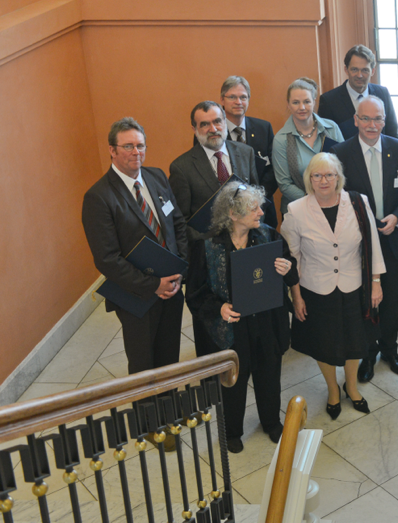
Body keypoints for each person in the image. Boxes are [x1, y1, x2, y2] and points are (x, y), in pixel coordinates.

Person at [82, 118, 188, 450]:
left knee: (169, 355)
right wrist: (152, 285)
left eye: (140, 145)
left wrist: (179, 269)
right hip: (136, 297)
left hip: (172, 288)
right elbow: (107, 259)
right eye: (127, 146)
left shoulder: (156, 177)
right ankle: (150, 425)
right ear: (112, 150)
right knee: (143, 362)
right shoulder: (98, 197)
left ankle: (169, 413)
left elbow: (177, 224)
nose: (136, 152)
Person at [186, 182, 298, 453]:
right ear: (233, 214)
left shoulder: (270, 236)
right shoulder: (207, 245)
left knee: (269, 374)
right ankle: (232, 431)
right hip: (232, 327)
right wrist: (219, 308)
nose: (261, 212)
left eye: (260, 206)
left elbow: (292, 270)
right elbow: (195, 293)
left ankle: (271, 422)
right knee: (233, 381)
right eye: (253, 208)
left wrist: (287, 268)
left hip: (266, 321)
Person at [281, 153, 384, 418]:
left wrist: (376, 282)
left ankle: (351, 387)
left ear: (338, 177)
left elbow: (372, 243)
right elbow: (293, 257)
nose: (324, 181)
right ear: (309, 179)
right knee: (324, 343)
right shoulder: (296, 210)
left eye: (329, 175)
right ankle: (333, 390)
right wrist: (296, 296)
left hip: (353, 285)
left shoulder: (358, 202)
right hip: (316, 288)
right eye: (317, 175)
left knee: (355, 340)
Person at [331, 96, 398, 382]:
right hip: (357, 244)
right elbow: (338, 200)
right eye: (365, 118)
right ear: (355, 120)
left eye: (377, 118)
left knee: (390, 301)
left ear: (384, 120)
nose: (371, 124)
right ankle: (367, 354)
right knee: (363, 301)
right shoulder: (340, 152)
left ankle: (390, 350)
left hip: (392, 238)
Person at [170, 101, 259, 357]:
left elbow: (255, 199)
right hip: (208, 259)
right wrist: (211, 241)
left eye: (217, 121)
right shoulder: (181, 167)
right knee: (212, 325)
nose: (213, 128)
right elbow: (180, 221)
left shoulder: (245, 152)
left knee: (248, 315)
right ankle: (215, 367)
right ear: (194, 129)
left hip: (245, 251)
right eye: (205, 124)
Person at [272, 77, 344, 214]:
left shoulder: (332, 129)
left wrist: (329, 200)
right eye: (295, 102)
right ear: (288, 104)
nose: (302, 107)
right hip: (298, 210)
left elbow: (343, 166)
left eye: (306, 101)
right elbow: (284, 184)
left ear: (314, 101)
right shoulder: (281, 139)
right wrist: (315, 202)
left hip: (334, 205)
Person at [220, 76, 279, 228]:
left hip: (262, 210)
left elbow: (274, 169)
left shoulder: (263, 128)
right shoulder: (214, 133)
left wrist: (256, 199)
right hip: (228, 214)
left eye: (243, 97)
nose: (238, 102)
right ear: (222, 100)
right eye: (232, 97)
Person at [318, 45, 398, 140]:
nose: (359, 75)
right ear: (346, 70)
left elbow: (392, 134)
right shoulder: (329, 101)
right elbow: (327, 140)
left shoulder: (382, 93)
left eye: (365, 70)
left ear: (372, 71)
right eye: (354, 69)